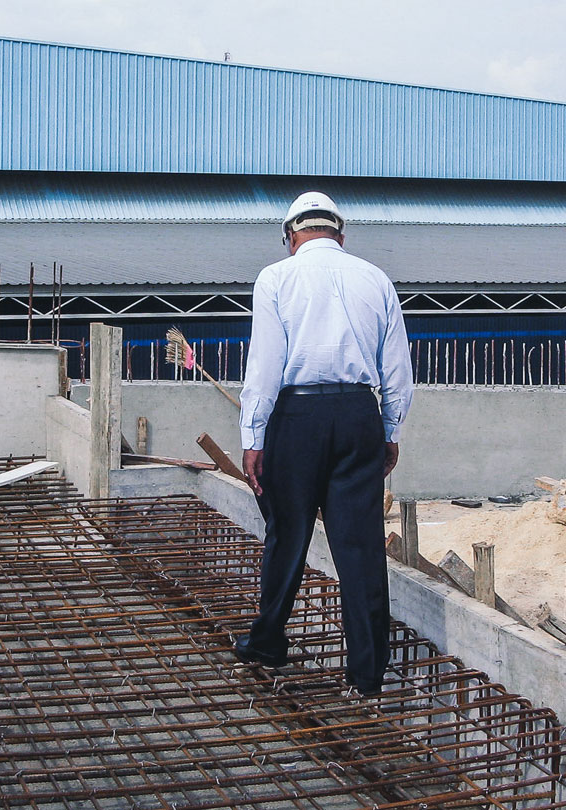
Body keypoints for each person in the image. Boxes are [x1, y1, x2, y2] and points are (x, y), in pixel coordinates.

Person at [236, 191, 413, 696]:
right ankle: (367, 672)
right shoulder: (375, 278)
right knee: (359, 547)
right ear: (340, 233)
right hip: (359, 413)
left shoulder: (276, 278)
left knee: (287, 534)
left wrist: (254, 436)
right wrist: (389, 430)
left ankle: (269, 642)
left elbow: (265, 364)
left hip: (297, 417)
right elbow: (397, 368)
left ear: (290, 236)